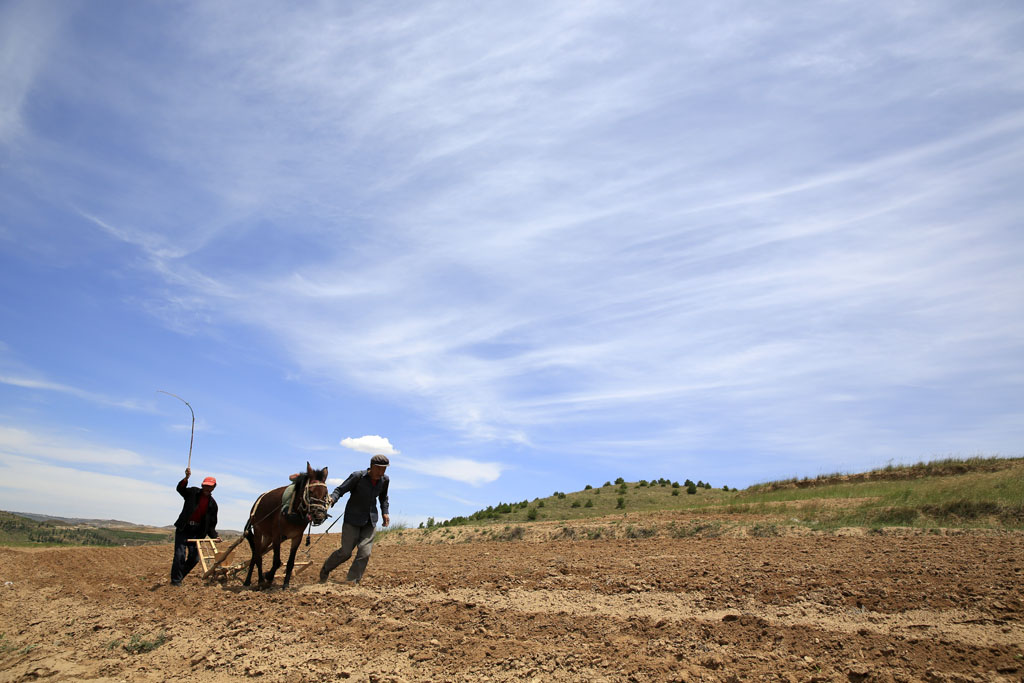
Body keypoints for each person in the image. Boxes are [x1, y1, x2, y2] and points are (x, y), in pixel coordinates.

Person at [319, 454, 390, 584]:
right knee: (346, 553)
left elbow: (383, 497)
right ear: (373, 467)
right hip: (352, 519)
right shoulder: (358, 476)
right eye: (380, 468)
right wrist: (332, 499)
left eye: (385, 469)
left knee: (365, 552)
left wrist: (385, 512)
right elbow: (340, 490)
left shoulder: (384, 480)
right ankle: (326, 568)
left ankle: (352, 581)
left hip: (370, 520)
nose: (382, 472)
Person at [170, 467, 219, 586]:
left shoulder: (213, 504)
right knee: (180, 555)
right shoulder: (192, 492)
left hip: (197, 532)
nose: (207, 488)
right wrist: (186, 478)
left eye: (210, 486)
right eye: (206, 486)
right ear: (202, 486)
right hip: (184, 528)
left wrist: (215, 536)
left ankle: (178, 576)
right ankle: (176, 582)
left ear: (213, 488)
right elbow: (180, 489)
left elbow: (211, 525)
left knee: (194, 558)